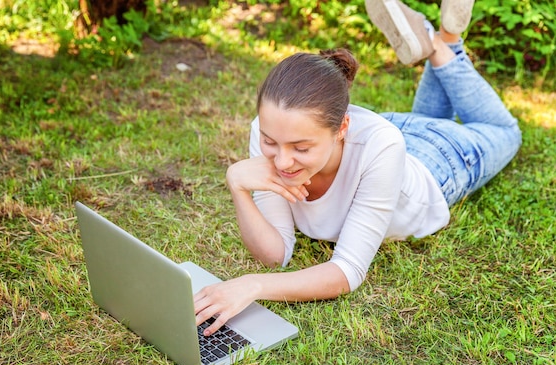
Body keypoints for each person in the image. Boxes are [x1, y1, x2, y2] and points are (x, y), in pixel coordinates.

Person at [194, 0, 522, 336]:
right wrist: (238, 186)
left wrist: (253, 286)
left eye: (301, 148)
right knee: (425, 118)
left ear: (341, 129)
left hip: (438, 158)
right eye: (270, 143)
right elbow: (276, 254)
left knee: (507, 133)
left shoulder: (381, 146)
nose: (281, 162)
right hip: (385, 134)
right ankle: (443, 40)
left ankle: (442, 40)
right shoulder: (272, 133)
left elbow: (348, 270)